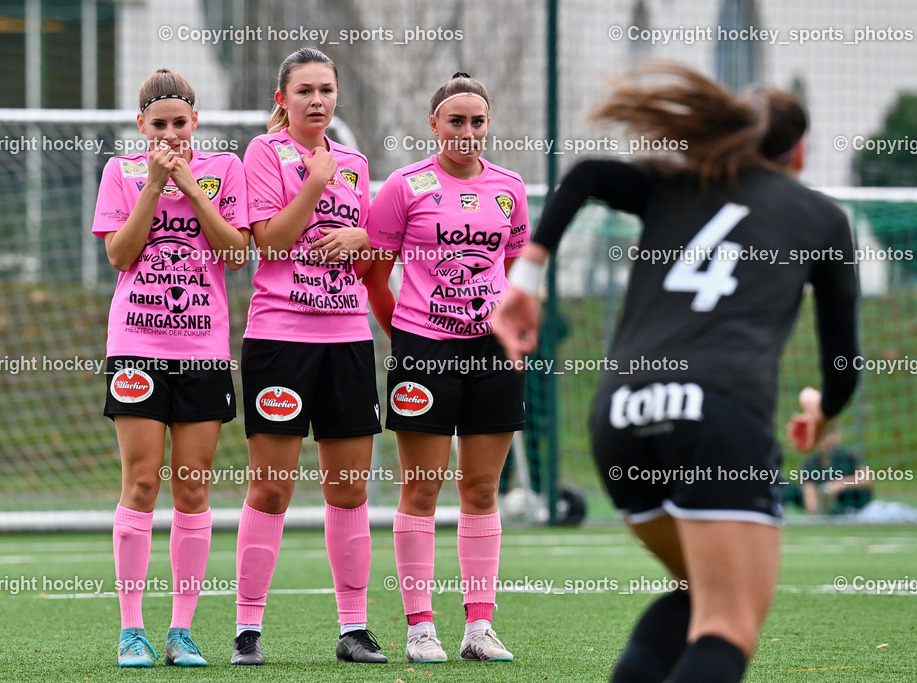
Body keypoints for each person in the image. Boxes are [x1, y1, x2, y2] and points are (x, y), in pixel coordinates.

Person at [493, 64, 860, 682]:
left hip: (621, 415)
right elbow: (843, 367)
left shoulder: (679, 184)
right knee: (728, 621)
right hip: (715, 417)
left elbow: (584, 174)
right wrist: (821, 411)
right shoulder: (821, 219)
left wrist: (525, 278)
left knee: (697, 595)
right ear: (798, 152)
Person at [364, 72, 528, 663]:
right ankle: (420, 629)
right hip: (423, 351)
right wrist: (409, 336)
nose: (467, 131)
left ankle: (479, 629)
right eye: (455, 120)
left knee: (481, 489)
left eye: (477, 121)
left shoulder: (510, 188)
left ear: (488, 125)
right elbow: (375, 276)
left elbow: (512, 271)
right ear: (434, 124)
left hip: (492, 355)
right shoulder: (405, 186)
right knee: (421, 488)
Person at [232, 47, 386, 666]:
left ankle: (354, 629)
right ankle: (247, 630)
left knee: (348, 489)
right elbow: (269, 242)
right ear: (283, 99)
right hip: (280, 340)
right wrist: (315, 183)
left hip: (348, 339)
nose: (317, 100)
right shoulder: (264, 153)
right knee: (271, 489)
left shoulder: (355, 162)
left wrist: (363, 236)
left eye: (326, 90)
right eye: (305, 91)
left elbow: (368, 251)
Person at [92, 68, 249, 668]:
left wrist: (191, 187)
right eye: (158, 125)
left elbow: (236, 252)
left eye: (180, 123)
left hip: (202, 350)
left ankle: (182, 630)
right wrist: (156, 186)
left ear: (195, 121)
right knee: (141, 482)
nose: (170, 134)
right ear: (141, 126)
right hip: (136, 346)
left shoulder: (224, 169)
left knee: (192, 485)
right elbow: (119, 254)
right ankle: (132, 629)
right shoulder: (121, 172)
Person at [797, 424, 872, 514]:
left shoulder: (849, 455)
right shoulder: (811, 463)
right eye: (823, 436)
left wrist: (840, 484)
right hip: (833, 515)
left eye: (830, 434)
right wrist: (815, 509)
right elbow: (809, 493)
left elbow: (866, 479)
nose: (827, 440)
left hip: (862, 510)